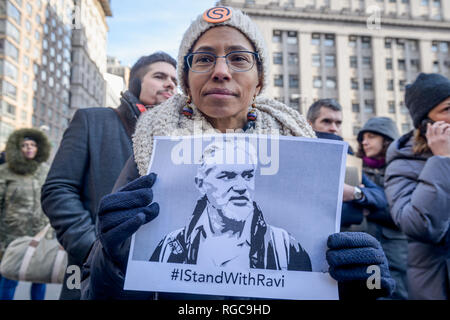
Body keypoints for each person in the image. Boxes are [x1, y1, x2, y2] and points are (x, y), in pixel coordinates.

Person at [81, 6, 395, 300]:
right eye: (203, 59)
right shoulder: (148, 159)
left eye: (239, 58)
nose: (220, 71)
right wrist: (112, 260)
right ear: (187, 81)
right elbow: (97, 292)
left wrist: (360, 286)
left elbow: (320, 287)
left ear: (259, 81)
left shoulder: (288, 239)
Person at [41, 52, 177, 300]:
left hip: (155, 277)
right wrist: (94, 246)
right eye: (160, 76)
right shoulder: (92, 120)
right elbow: (58, 189)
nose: (170, 84)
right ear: (135, 82)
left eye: (175, 80)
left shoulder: (179, 135)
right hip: (90, 269)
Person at [150, 140, 312, 271]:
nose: (241, 187)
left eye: (248, 176)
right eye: (227, 176)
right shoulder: (171, 246)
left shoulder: (284, 247)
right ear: (201, 184)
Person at [384, 73, 450, 300]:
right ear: (426, 124)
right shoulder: (402, 163)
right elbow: (419, 225)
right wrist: (442, 161)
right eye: (447, 109)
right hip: (437, 285)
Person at [306, 100, 387, 231]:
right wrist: (358, 211)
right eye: (326, 121)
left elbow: (380, 197)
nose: (334, 128)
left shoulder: (348, 158)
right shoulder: (300, 155)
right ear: (309, 124)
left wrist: (354, 193)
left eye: (338, 123)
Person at [356, 117, 408, 300]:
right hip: (362, 247)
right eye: (362, 137)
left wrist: (367, 206)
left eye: (371, 136)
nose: (364, 142)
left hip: (395, 250)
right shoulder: (355, 169)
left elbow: (405, 213)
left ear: (387, 140)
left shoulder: (403, 170)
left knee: (396, 293)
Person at [0, 129, 51, 300]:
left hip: (40, 233)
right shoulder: (5, 171)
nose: (29, 148)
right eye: (24, 145)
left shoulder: (45, 170)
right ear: (17, 148)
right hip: (11, 235)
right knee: (9, 279)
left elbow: (53, 198)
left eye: (32, 145)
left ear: (38, 148)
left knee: (39, 278)